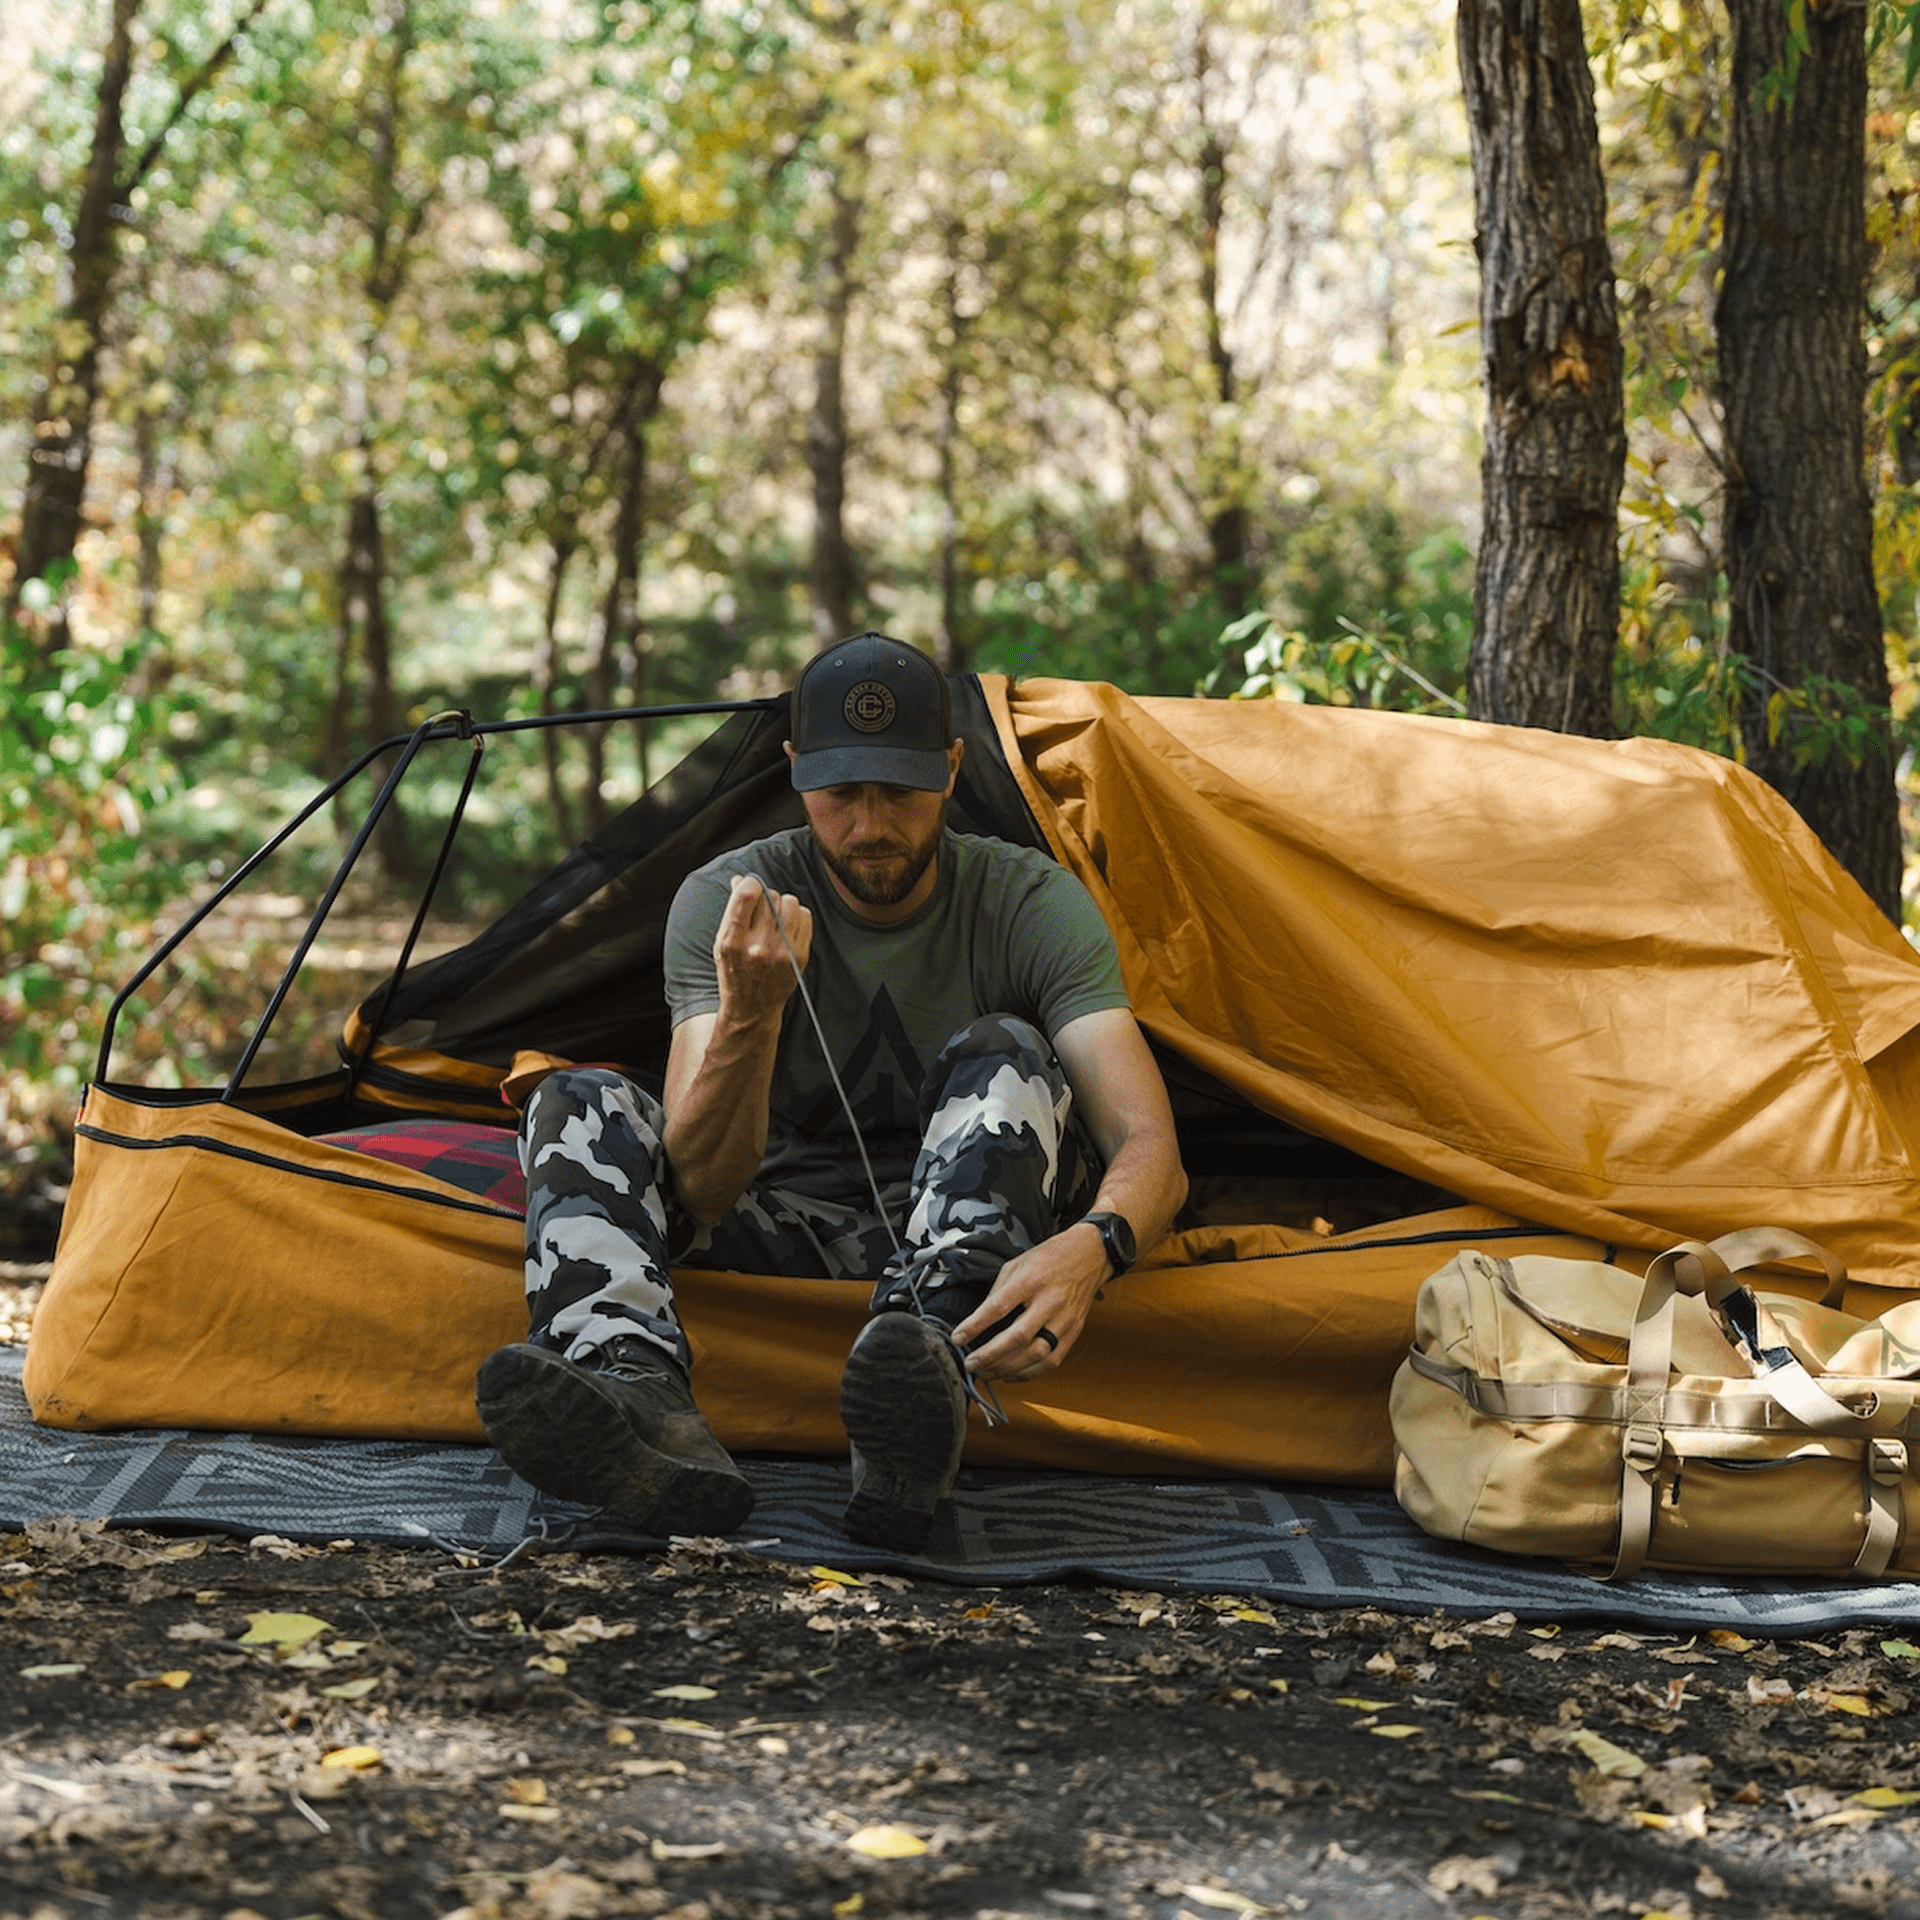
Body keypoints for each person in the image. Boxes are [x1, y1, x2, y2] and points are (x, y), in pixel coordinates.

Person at [475, 632, 1187, 1551]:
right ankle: (640, 1401)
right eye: (841, 792)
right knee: (571, 1098)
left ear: (954, 768)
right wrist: (749, 1017)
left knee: (1007, 1050)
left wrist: (1095, 1247)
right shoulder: (728, 901)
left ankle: (914, 1396)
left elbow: (1150, 1144)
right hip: (778, 1214)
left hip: (964, 1249)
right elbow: (698, 1185)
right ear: (794, 772)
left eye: (899, 789)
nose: (870, 824)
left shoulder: (1026, 902)